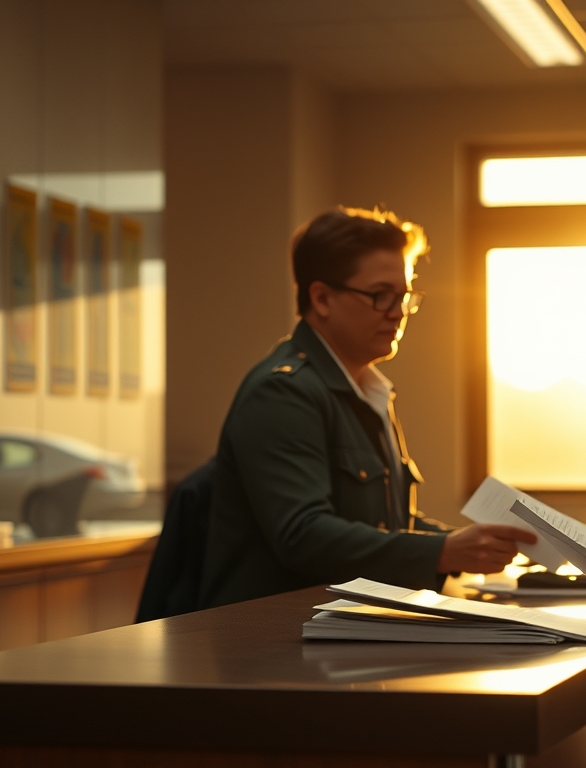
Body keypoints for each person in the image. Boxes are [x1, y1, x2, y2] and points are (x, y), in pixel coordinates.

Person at [200, 207, 534, 609]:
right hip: (276, 639)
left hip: (344, 626)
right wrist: (445, 550)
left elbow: (384, 527)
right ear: (321, 298)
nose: (396, 313)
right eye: (380, 296)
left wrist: (463, 544)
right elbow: (303, 535)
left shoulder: (366, 389)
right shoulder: (283, 392)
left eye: (404, 297)